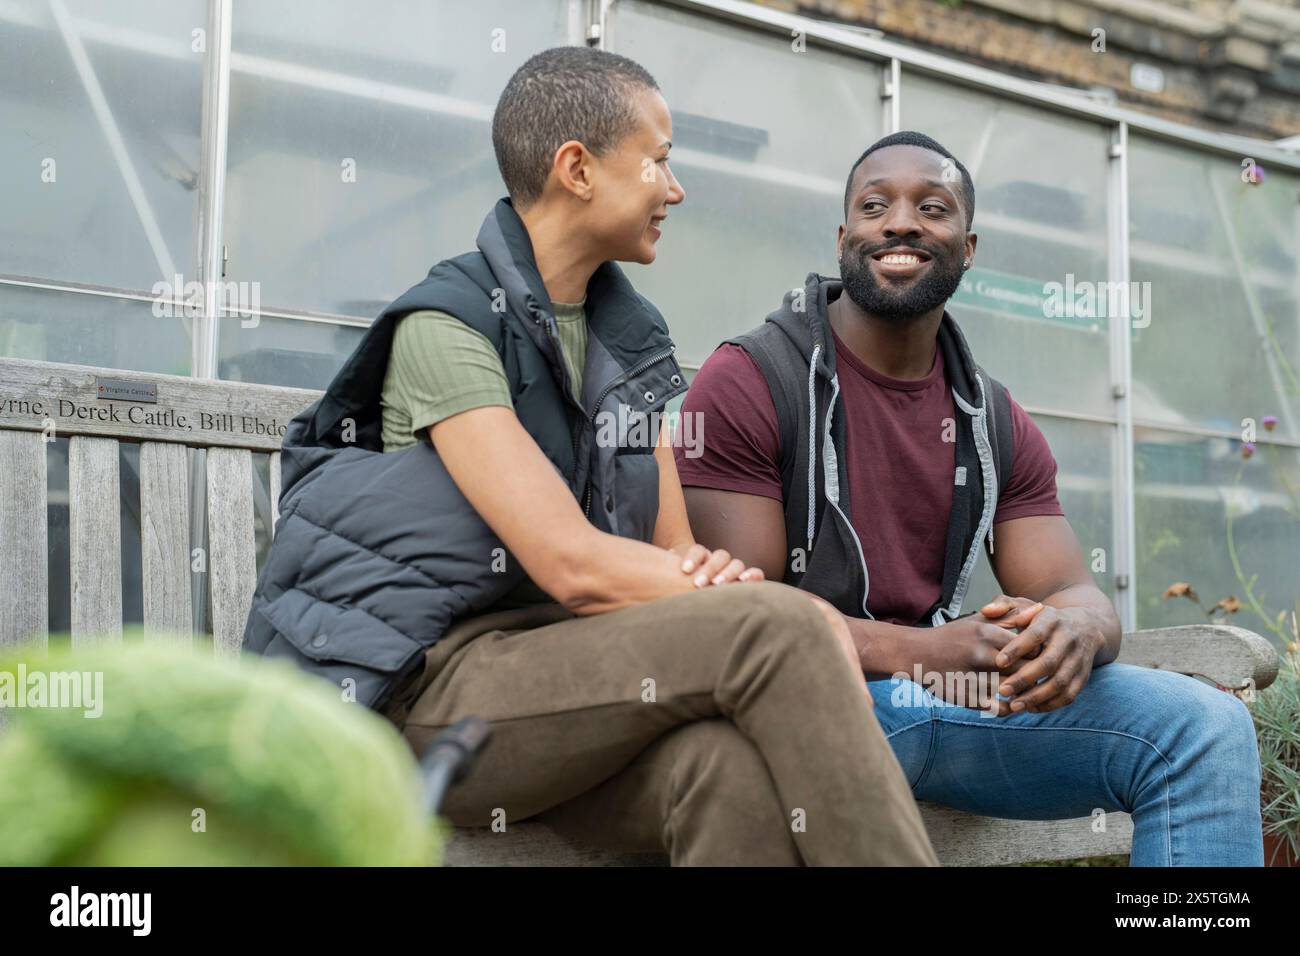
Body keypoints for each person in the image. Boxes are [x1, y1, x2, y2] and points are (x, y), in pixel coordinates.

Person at [245, 49, 937, 867]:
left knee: (726, 774)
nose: (674, 191)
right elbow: (569, 563)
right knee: (781, 627)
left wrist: (717, 584)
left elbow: (671, 552)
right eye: (660, 161)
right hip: (422, 696)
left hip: (571, 685)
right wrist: (774, 610)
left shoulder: (630, 342)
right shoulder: (451, 326)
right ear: (577, 168)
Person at [675, 130, 1264, 867]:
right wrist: (926, 651)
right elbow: (735, 621)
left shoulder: (992, 414)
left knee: (1205, 727)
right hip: (806, 710)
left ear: (969, 246)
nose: (901, 223)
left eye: (933, 207)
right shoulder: (751, 380)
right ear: (843, 237)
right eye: (874, 205)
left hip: (948, 703)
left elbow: (1066, 586)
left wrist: (1076, 631)